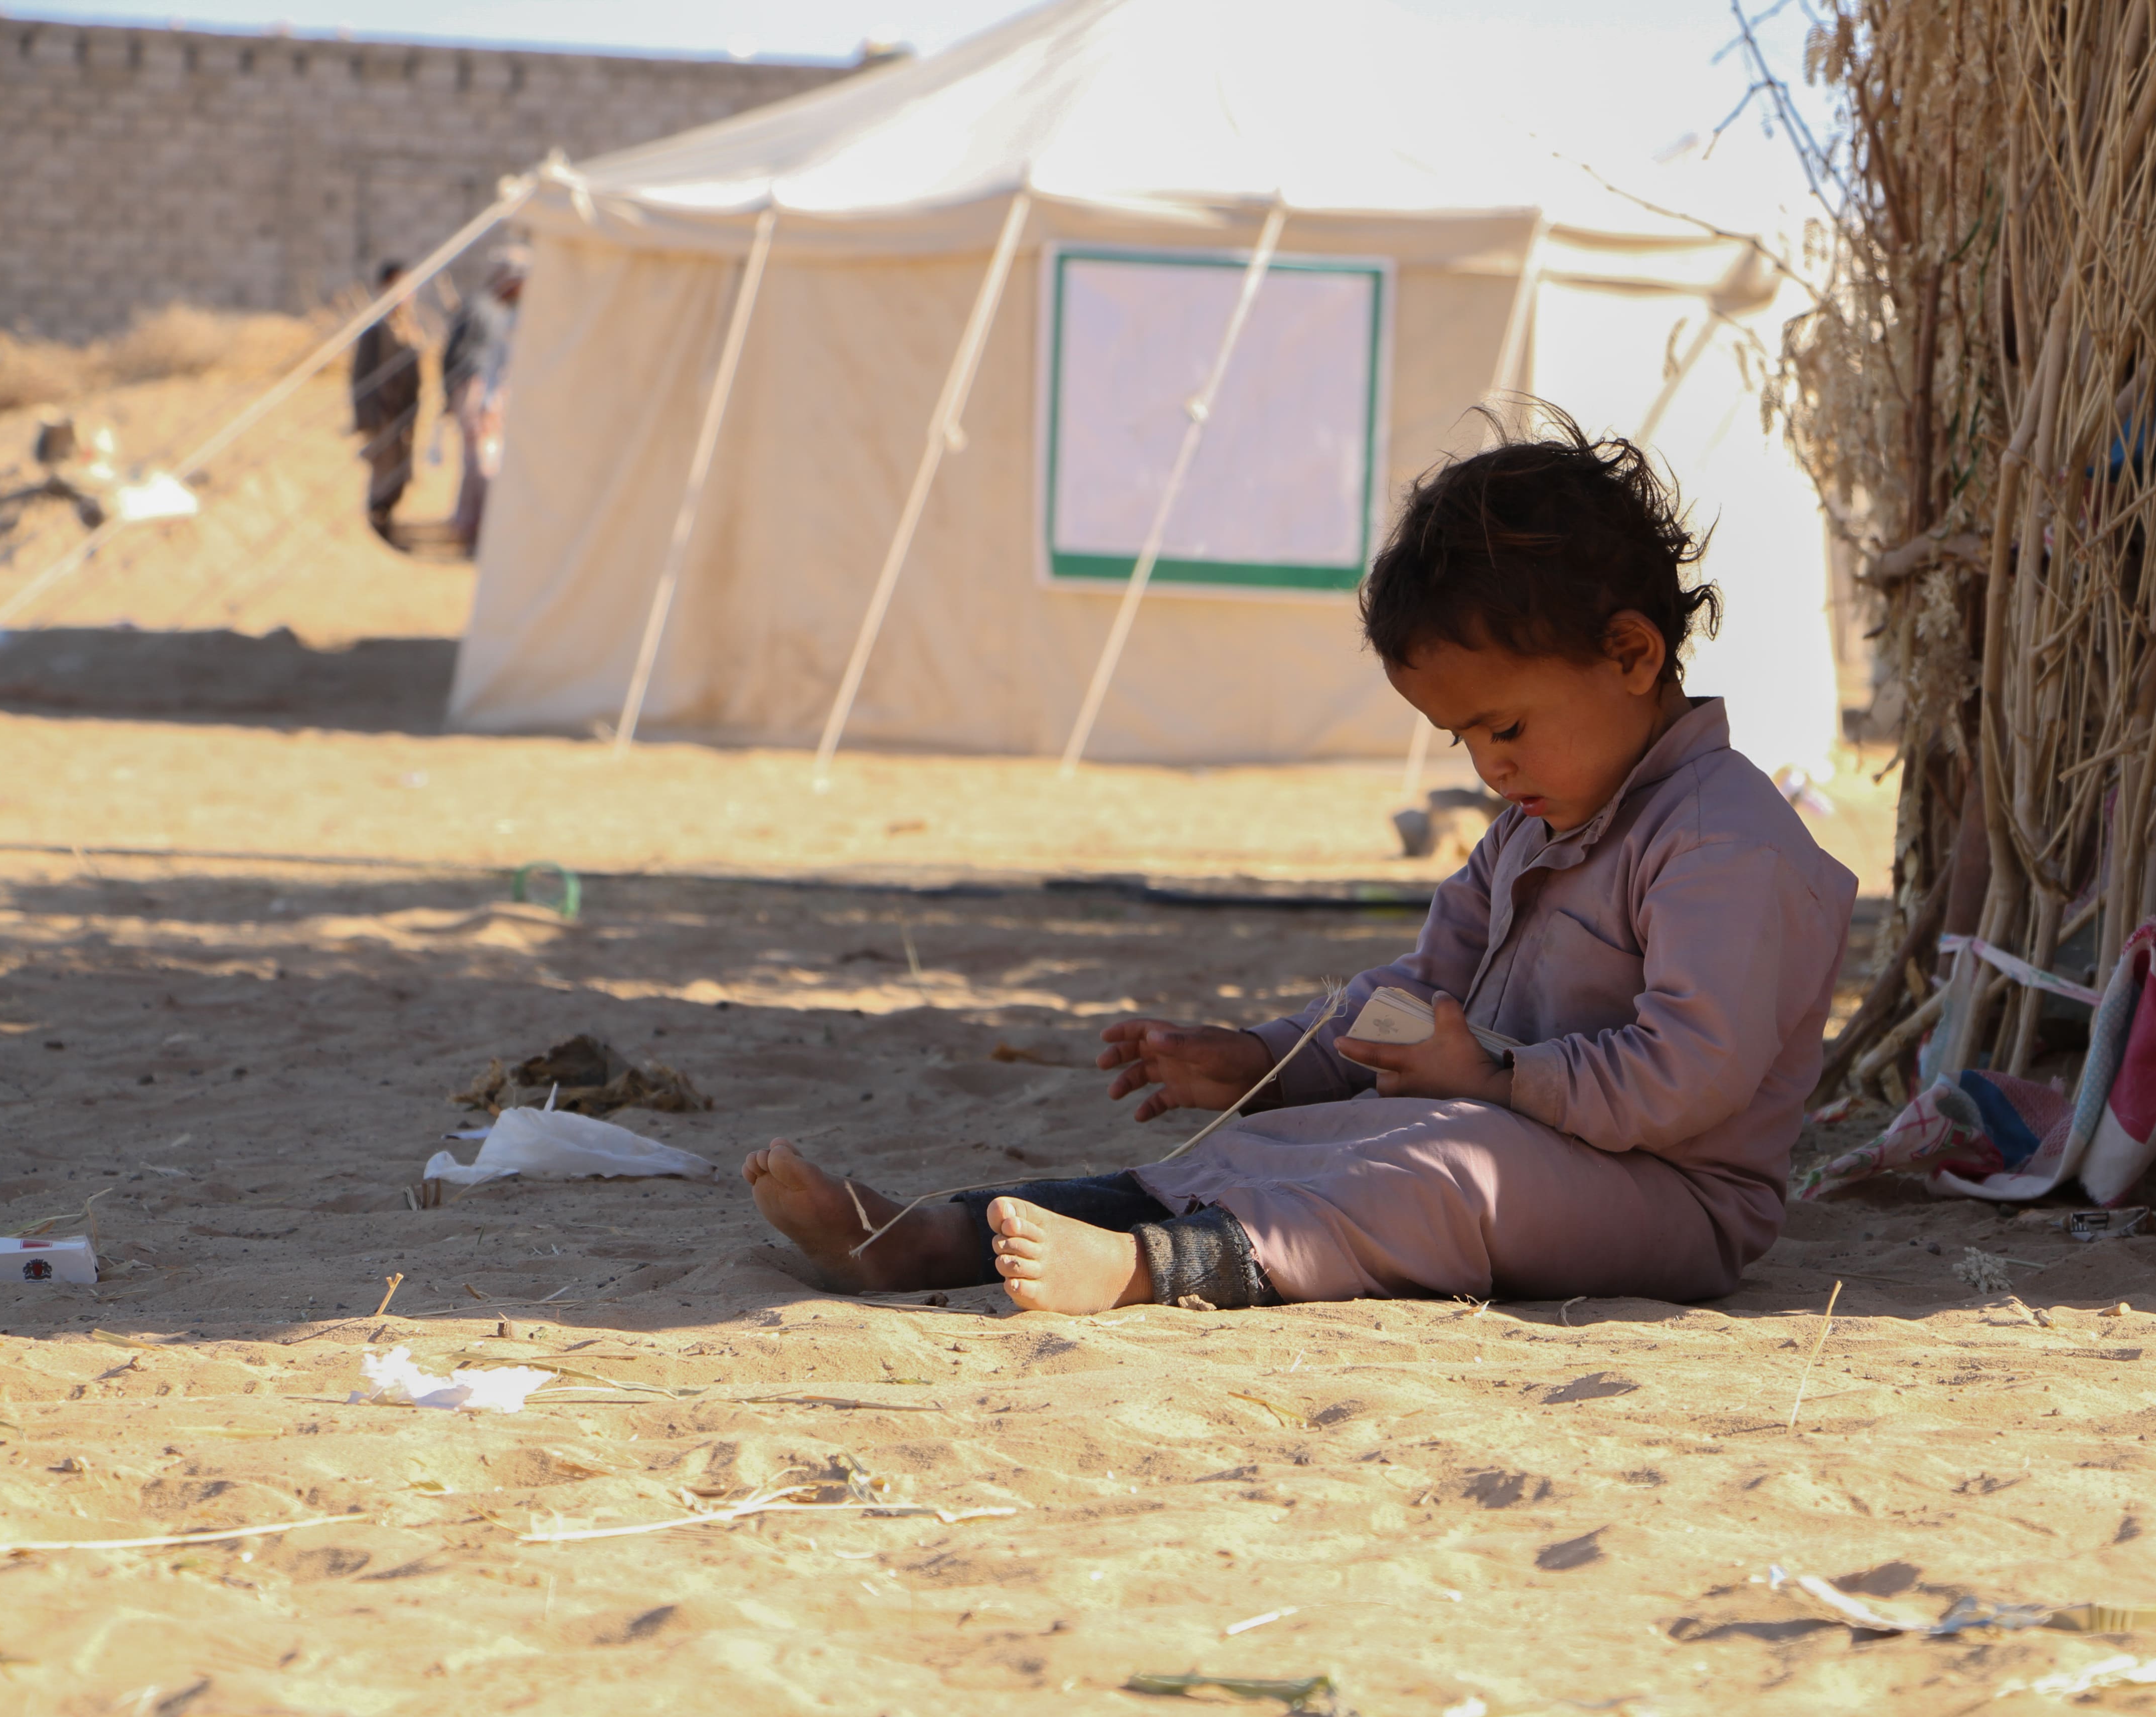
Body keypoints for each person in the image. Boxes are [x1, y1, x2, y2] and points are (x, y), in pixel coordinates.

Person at [743, 407, 1858, 1313]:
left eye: (1505, 729)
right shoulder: (1539, 824)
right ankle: (928, 1238)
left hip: (1671, 1200)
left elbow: (1686, 1081)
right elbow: (1414, 1005)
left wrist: (1499, 1081)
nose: (1488, 770)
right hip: (1510, 1126)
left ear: (1629, 654)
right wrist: (1267, 1062)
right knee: (1279, 1143)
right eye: (1461, 739)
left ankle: (1148, 1274)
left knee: (1444, 1173)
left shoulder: (1725, 844)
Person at [443, 248, 526, 555]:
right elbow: (469, 359)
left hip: (488, 395)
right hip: (476, 392)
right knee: (479, 462)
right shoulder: (483, 309)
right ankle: (472, 527)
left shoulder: (505, 312)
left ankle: (472, 524)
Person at [350, 262, 422, 545]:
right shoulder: (375, 329)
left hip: (404, 415)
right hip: (383, 417)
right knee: (382, 474)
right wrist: (367, 420)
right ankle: (379, 528)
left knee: (401, 473)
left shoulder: (410, 328)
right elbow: (361, 377)